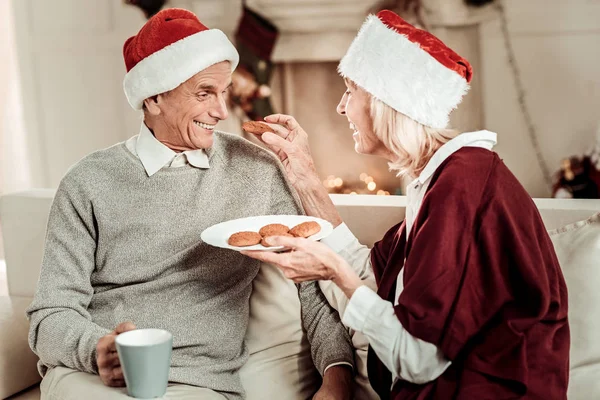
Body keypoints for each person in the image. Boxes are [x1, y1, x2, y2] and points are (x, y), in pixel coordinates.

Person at [26, 8, 355, 400]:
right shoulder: (88, 182)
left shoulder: (256, 170)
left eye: (224, 92)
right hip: (91, 379)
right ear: (153, 99)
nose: (221, 111)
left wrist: (338, 378)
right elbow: (50, 314)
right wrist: (96, 350)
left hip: (199, 384)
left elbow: (313, 287)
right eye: (204, 93)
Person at [242, 10, 570, 399]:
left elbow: (417, 361)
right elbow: (374, 280)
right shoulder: (437, 181)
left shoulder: (462, 185)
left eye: (351, 89)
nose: (341, 107)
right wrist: (304, 176)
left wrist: (332, 270)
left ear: (386, 100)